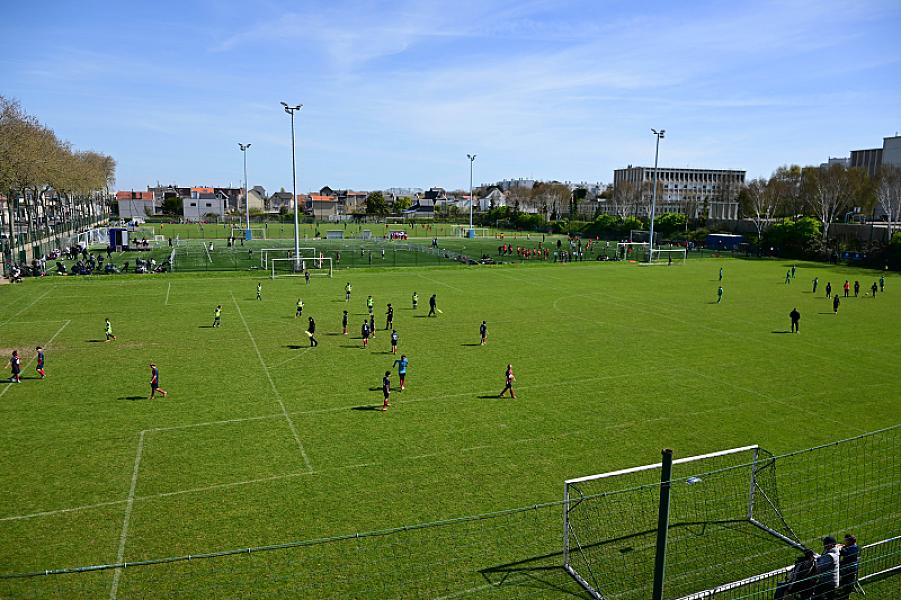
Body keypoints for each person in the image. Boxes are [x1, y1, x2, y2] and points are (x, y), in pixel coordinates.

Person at [836, 534, 859, 600]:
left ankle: (846, 595)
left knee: (848, 581)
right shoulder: (854, 546)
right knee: (846, 581)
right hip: (849, 567)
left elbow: (844, 552)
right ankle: (845, 593)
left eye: (845, 540)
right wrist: (842, 546)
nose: (844, 542)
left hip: (849, 568)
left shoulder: (853, 549)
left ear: (849, 541)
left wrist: (839, 548)